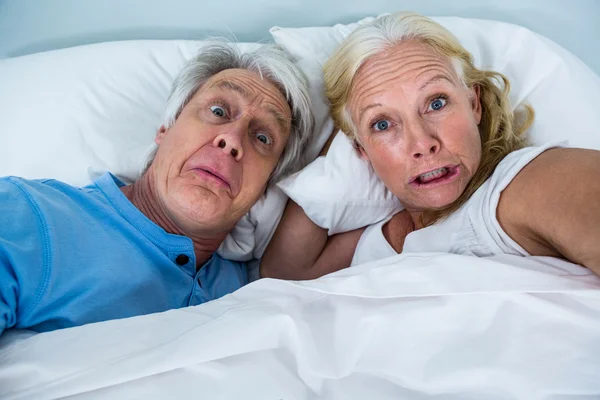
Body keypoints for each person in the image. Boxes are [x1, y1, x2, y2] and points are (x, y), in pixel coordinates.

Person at [0, 41, 314, 336]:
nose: (232, 140)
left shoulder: (250, 288)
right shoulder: (28, 216)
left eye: (262, 138)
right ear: (165, 129)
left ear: (265, 187)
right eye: (218, 111)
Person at [261, 12, 600, 280]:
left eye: (436, 103)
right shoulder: (382, 239)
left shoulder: (516, 187)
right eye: (382, 124)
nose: (422, 143)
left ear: (474, 104)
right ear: (360, 151)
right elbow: (283, 274)